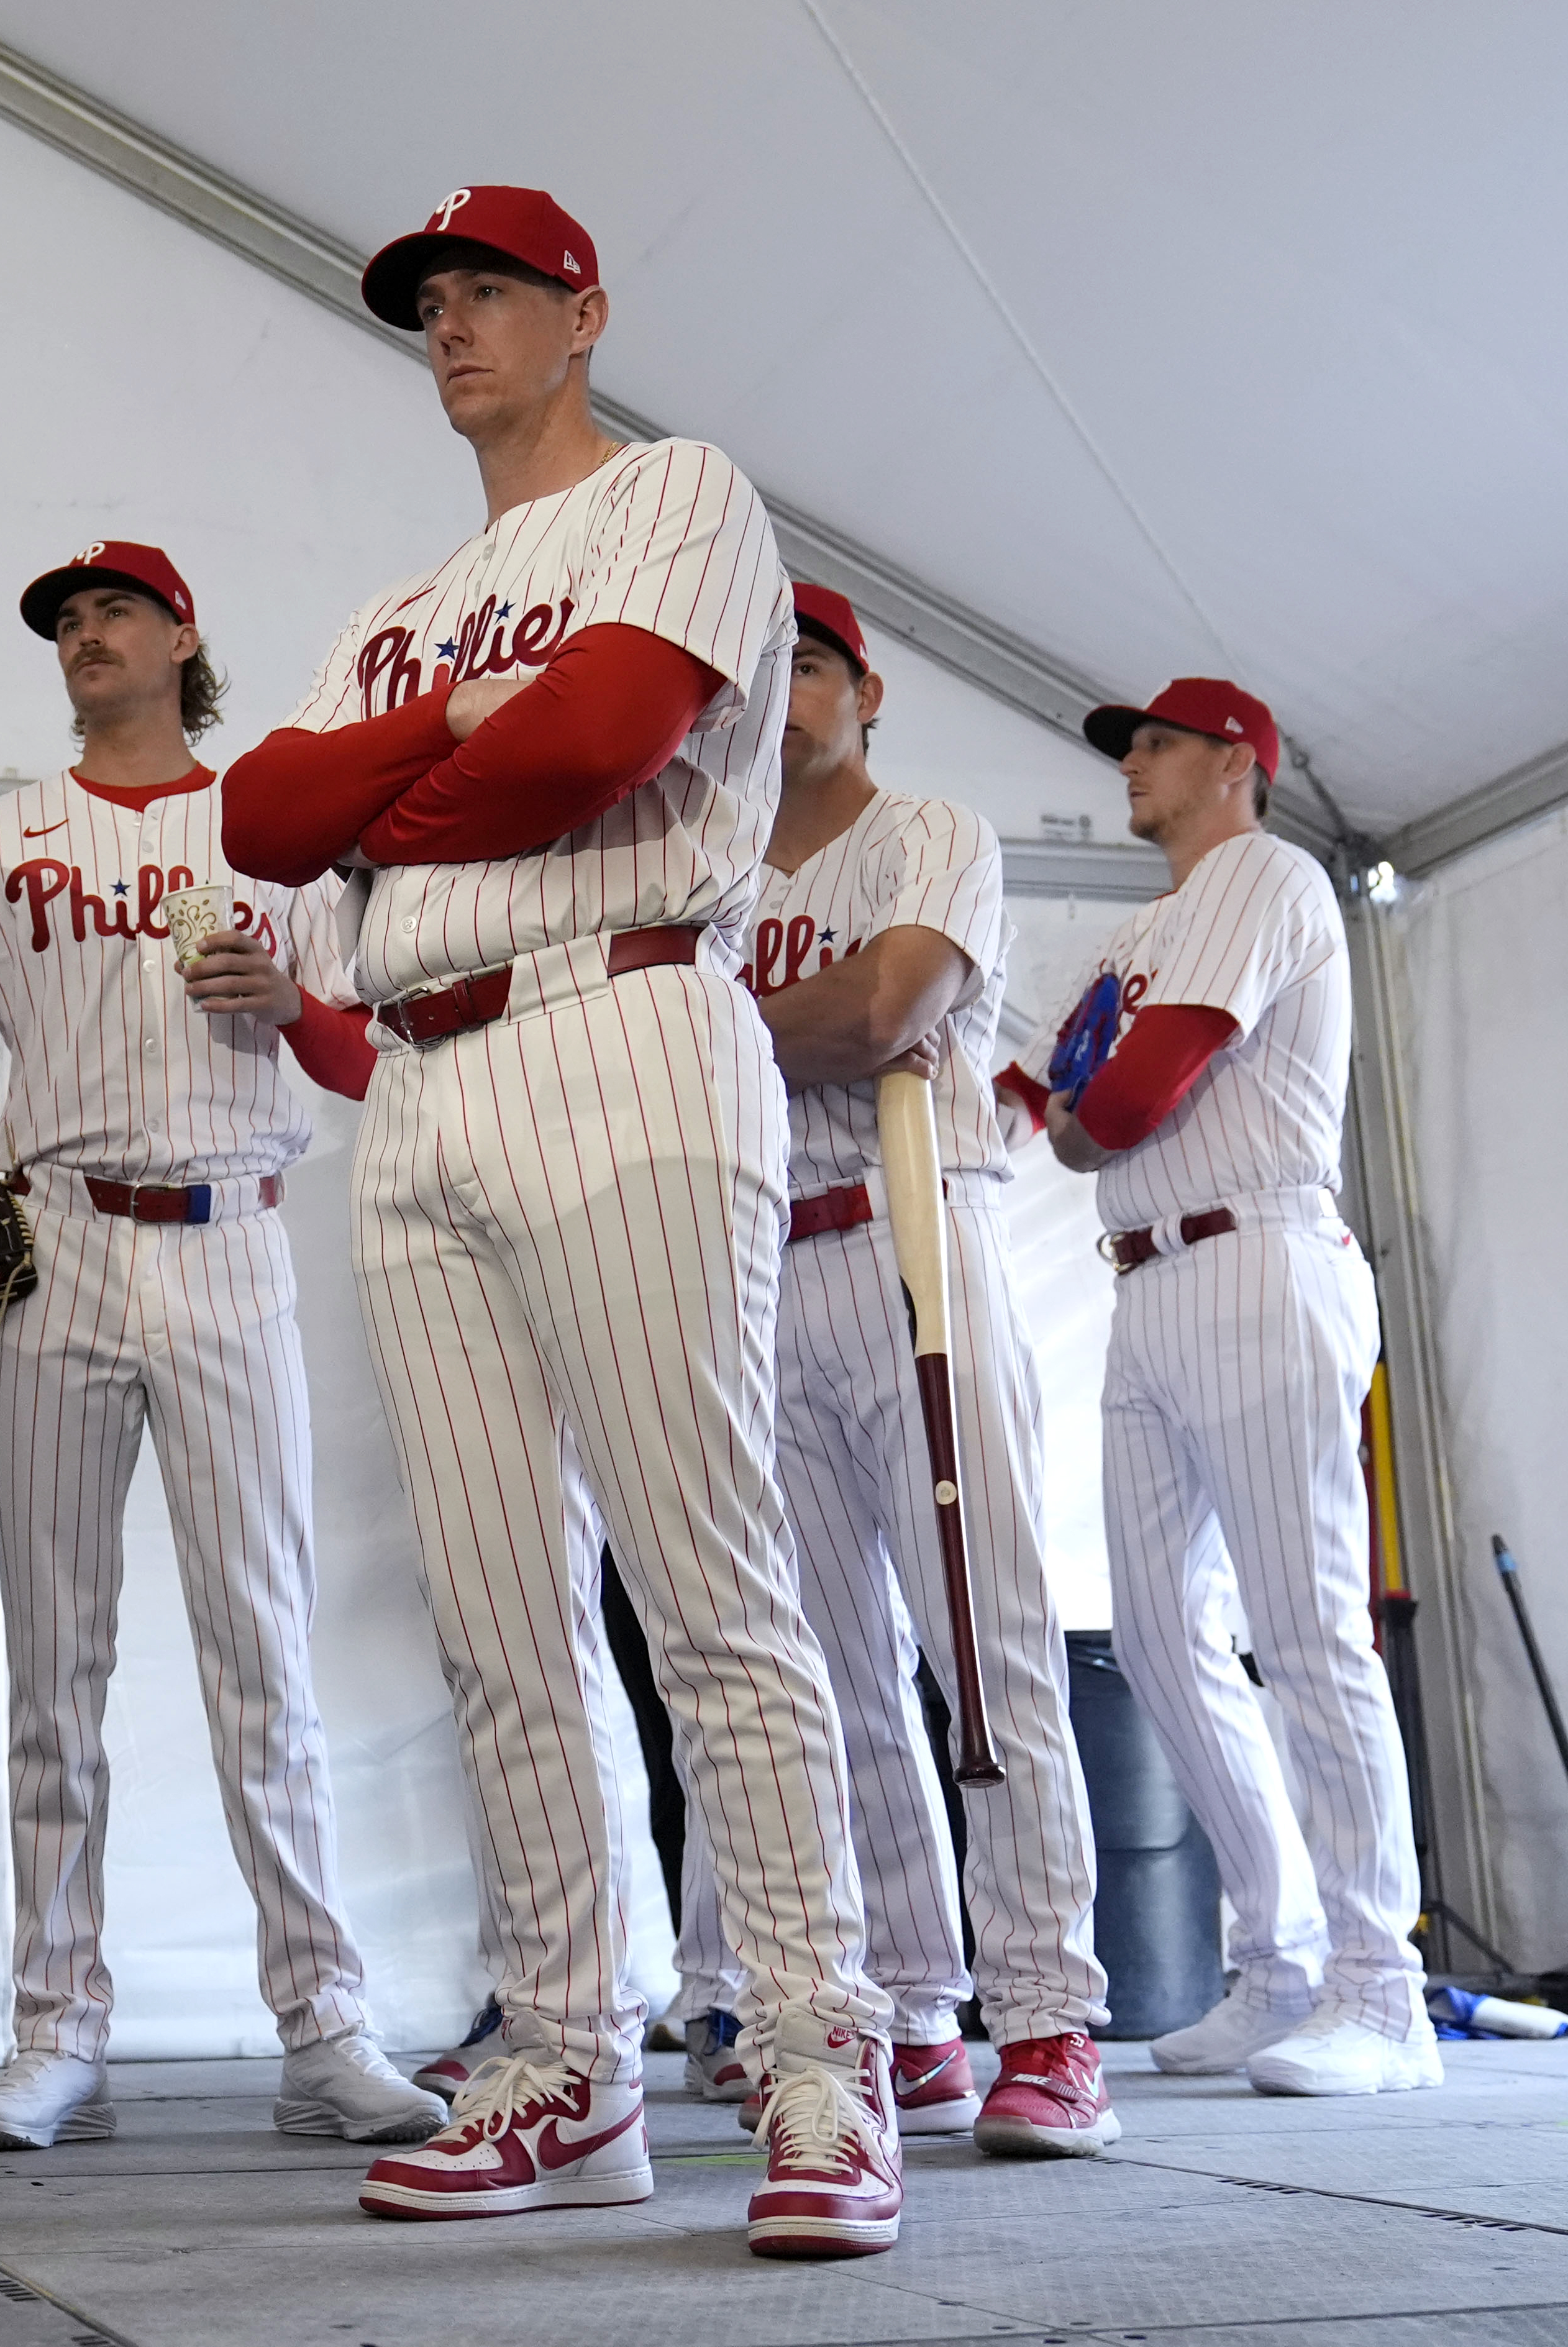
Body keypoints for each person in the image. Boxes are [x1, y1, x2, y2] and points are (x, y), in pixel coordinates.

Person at [225, 185, 903, 2259]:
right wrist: (445, 728)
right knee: (496, 1613)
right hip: (417, 1074)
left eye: (488, 290)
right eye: (426, 299)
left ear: (581, 308)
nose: (448, 323)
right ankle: (567, 2046)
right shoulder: (400, 606)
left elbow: (599, 743)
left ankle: (810, 2037)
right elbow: (258, 821)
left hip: (619, 1014)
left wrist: (396, 775)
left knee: (706, 1577)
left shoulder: (677, 491)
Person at [0, 540, 439, 2154]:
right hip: (59, 1243)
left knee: (263, 1651)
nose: (84, 633)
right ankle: (56, 2028)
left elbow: (372, 1062)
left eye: (112, 608)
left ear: (185, 634)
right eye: (64, 619)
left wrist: (284, 1010)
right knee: (56, 1658)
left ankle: (323, 2020)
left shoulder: (276, 834)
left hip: (232, 1233)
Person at [684, 582, 1118, 2154]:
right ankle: (920, 2005)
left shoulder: (933, 831)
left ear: (866, 694)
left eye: (805, 664)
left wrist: (718, 1022)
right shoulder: (713, 870)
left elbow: (880, 1006)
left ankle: (1052, 2015)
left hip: (909, 1239)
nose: (777, 692)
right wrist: (767, 1019)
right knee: (826, 1674)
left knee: (981, 1644)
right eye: (754, 670)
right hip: (753, 1267)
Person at [1034, 678, 1434, 2099]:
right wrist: (1084, 1105)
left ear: (1233, 762)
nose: (1129, 764)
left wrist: (1089, 1105)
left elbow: (1127, 1099)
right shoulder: (1135, 928)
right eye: (1128, 746)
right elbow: (1061, 1119)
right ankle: (1276, 1965)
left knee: (1307, 1626)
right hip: (1145, 1276)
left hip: (1260, 1249)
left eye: (1152, 742)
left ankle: (1381, 1987)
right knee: (1154, 1636)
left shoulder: (1267, 870)